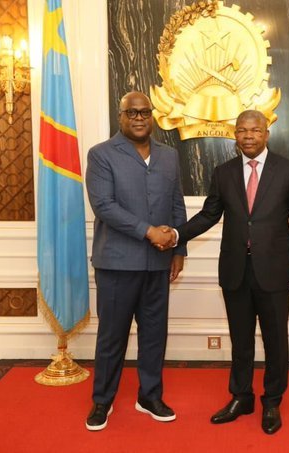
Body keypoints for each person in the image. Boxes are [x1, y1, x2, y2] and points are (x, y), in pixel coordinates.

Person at [173, 110, 289, 434]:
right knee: (240, 340)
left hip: (274, 270)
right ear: (234, 134)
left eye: (255, 130)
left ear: (266, 134)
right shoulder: (223, 172)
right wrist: (178, 234)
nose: (248, 136)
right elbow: (209, 215)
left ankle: (272, 401)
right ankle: (241, 397)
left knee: (276, 340)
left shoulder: (287, 170)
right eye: (242, 130)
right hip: (235, 270)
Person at [84, 91, 186, 431]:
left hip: (159, 264)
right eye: (132, 112)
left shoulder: (169, 155)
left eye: (144, 112)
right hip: (116, 264)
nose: (139, 118)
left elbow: (176, 203)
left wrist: (179, 249)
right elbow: (104, 206)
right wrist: (148, 231)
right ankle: (102, 400)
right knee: (112, 337)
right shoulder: (101, 154)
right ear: (121, 116)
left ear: (152, 115)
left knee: (155, 334)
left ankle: (150, 396)